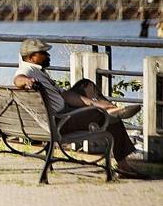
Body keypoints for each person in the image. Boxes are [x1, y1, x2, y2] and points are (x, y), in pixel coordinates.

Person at [13, 38, 143, 177]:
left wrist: (94, 103)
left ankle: (110, 109)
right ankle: (123, 165)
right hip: (60, 121)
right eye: (44, 53)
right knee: (107, 117)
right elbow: (18, 79)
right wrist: (27, 81)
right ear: (32, 57)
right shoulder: (27, 71)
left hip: (61, 113)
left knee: (85, 85)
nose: (48, 55)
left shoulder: (37, 71)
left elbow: (64, 95)